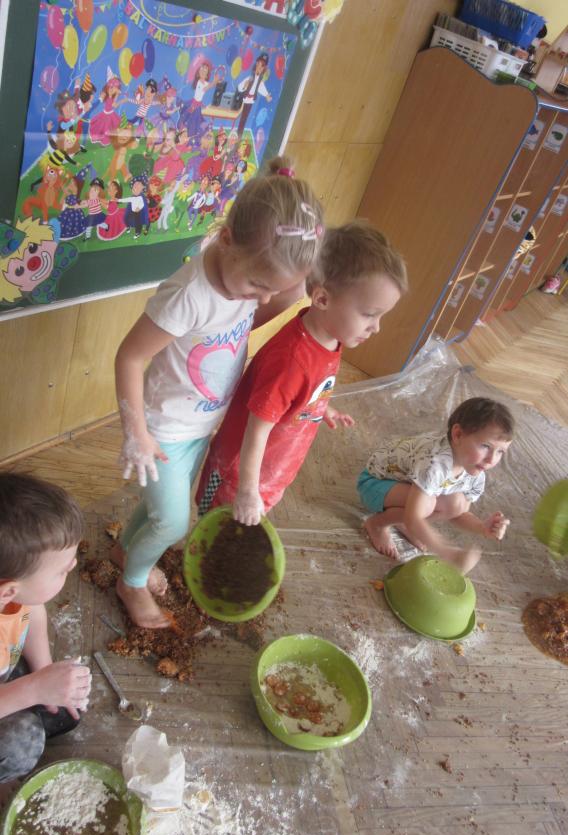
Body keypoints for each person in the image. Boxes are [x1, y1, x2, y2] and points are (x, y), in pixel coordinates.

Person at [112, 156, 324, 628]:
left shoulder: (245, 276)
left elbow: (262, 306)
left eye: (274, 289)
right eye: (258, 286)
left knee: (159, 510)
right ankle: (131, 582)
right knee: (173, 522)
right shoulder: (189, 295)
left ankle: (126, 552)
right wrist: (136, 433)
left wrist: (289, 292)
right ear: (226, 239)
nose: (263, 299)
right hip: (163, 430)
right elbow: (128, 357)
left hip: (200, 424)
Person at [196, 221, 407, 526]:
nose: (376, 328)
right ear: (322, 299)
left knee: (235, 533)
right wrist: (247, 492)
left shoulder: (330, 337)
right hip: (237, 477)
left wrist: (321, 407)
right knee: (213, 528)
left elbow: (305, 389)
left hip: (270, 474)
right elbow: (257, 431)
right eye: (369, 315)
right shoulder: (291, 361)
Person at [0, 473, 91, 802]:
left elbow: (32, 613)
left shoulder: (14, 593)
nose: (73, 566)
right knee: (22, 742)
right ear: (8, 590)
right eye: (62, 570)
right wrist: (35, 689)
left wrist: (44, 672)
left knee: (65, 711)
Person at [358, 397, 514, 574]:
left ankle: (401, 522)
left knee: (458, 504)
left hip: (404, 487)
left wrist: (482, 527)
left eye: (500, 452)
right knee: (428, 505)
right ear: (458, 435)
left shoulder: (475, 473)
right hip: (373, 485)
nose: (491, 460)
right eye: (485, 446)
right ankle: (377, 524)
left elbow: (459, 514)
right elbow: (414, 517)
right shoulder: (434, 463)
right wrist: (447, 553)